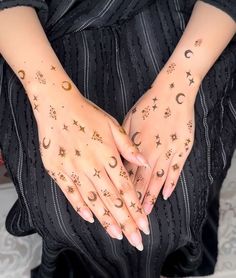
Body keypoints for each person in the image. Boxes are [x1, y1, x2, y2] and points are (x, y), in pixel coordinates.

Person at [0, 0, 235, 277]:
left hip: (184, 17)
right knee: (69, 208)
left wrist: (181, 81)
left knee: (173, 200)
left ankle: (180, 261)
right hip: (42, 23)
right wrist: (51, 96)